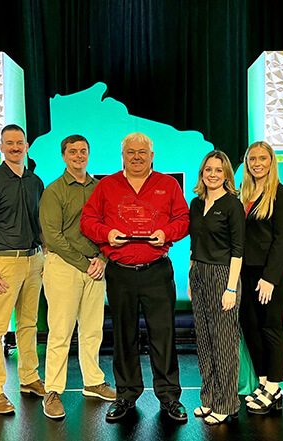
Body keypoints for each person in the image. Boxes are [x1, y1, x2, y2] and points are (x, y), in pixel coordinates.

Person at [80, 132, 190, 423]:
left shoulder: (168, 185)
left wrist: (166, 233)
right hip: (121, 274)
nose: (137, 157)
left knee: (163, 336)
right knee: (123, 336)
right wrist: (106, 234)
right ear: (123, 156)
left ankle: (169, 397)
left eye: (142, 152)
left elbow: (183, 219)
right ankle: (126, 395)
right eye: (131, 152)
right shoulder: (107, 185)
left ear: (152, 156)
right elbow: (87, 220)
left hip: (157, 271)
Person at [39, 135, 116, 419]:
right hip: (65, 267)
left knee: (93, 330)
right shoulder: (54, 191)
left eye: (83, 151)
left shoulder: (100, 188)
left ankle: (93, 382)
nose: (79, 156)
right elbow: (53, 237)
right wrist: (86, 264)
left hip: (96, 267)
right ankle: (52, 391)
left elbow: (110, 226)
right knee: (61, 332)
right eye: (73, 151)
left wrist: (103, 259)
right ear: (64, 156)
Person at [0, 124, 46, 414]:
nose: (15, 147)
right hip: (4, 263)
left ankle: (29, 378)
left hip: (33, 260)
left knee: (28, 324)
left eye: (19, 143)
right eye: (9, 143)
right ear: (1, 147)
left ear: (26, 146)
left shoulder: (35, 181)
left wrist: (45, 256)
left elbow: (40, 225)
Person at [238, 141, 283, 415]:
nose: (257, 163)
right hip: (245, 271)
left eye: (262, 158)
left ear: (271, 161)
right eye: (252, 159)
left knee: (271, 327)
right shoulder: (243, 193)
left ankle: (274, 387)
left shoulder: (282, 195)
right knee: (251, 326)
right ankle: (262, 384)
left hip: (271, 272)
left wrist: (270, 278)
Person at [188, 150, 245, 425]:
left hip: (223, 275)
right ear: (202, 173)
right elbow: (194, 243)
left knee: (223, 342)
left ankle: (227, 403)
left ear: (226, 175)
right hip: (198, 273)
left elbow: (238, 250)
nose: (212, 174)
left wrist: (231, 288)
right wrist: (191, 275)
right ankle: (209, 398)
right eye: (208, 169)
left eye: (218, 170)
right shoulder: (196, 203)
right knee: (204, 340)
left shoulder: (233, 204)